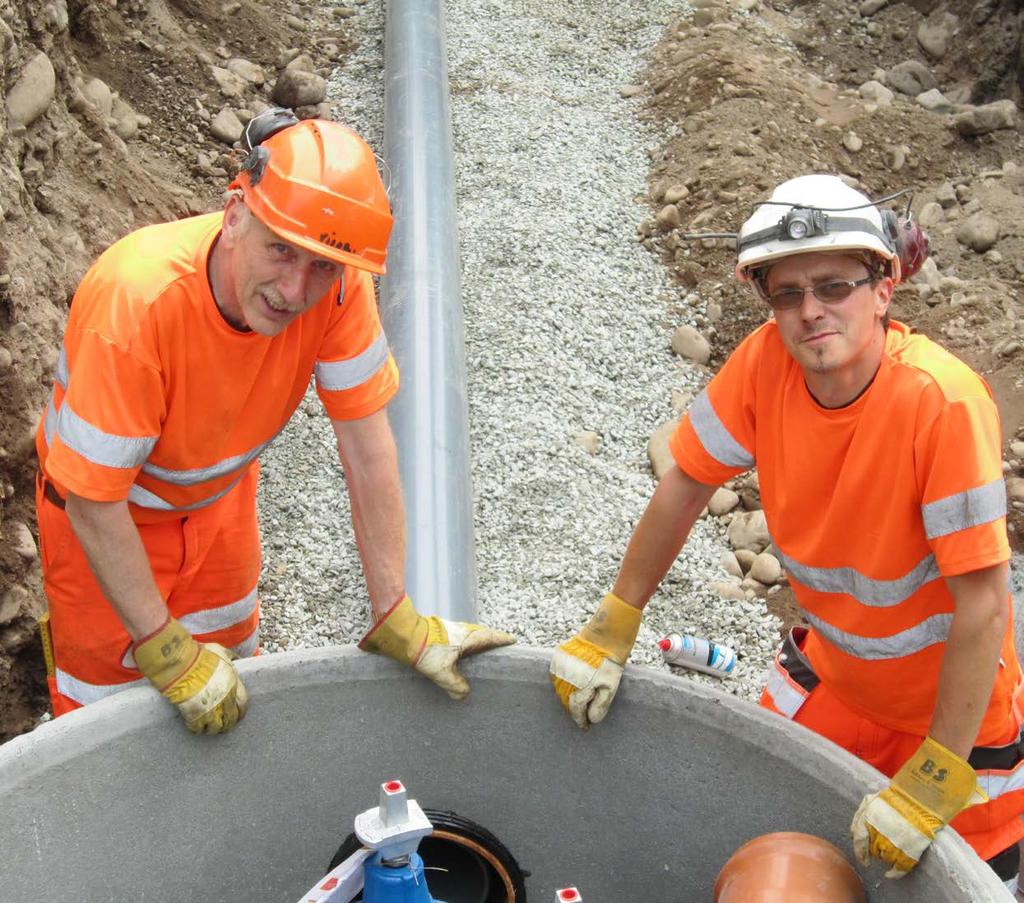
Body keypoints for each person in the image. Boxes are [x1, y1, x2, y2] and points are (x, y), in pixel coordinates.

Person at [549, 174, 1023, 889]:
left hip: (954, 720)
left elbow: (984, 605)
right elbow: (684, 483)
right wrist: (613, 621)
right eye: (788, 294)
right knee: (760, 852)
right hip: (834, 675)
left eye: (834, 286)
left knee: (964, 885)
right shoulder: (764, 363)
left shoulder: (941, 404)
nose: (811, 312)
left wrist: (936, 774)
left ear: (883, 289)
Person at [34, 109, 514, 735]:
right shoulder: (137, 304)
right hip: (102, 519)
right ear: (235, 216)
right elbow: (94, 502)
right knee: (106, 711)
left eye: (320, 265)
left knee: (230, 671)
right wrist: (161, 644)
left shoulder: (338, 291)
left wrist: (395, 613)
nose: (294, 289)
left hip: (217, 505)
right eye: (280, 250)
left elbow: (368, 451)